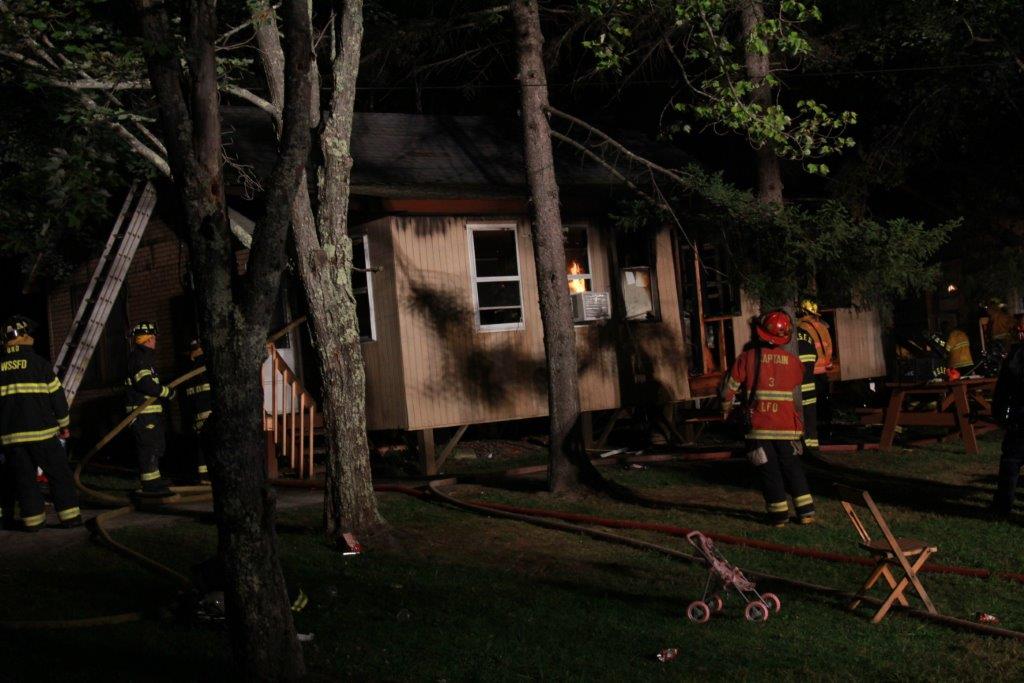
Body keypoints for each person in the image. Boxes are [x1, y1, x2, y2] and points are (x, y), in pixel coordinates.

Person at [722, 310, 815, 527]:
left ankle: (779, 516)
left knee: (768, 469)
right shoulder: (793, 361)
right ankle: (806, 512)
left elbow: (728, 388)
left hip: (759, 426)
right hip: (787, 426)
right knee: (791, 466)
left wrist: (725, 407)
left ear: (760, 334)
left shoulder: (747, 358)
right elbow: (796, 380)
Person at [0, 316, 81, 531]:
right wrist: (64, 425)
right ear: (25, 337)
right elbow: (57, 398)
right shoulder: (40, 365)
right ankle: (70, 517)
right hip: (42, 434)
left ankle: (33, 522)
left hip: (12, 438)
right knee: (59, 474)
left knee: (24, 478)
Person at [125, 321, 175, 495]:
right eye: (153, 338)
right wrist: (167, 392)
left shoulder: (145, 358)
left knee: (155, 446)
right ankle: (150, 485)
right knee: (148, 448)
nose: (155, 341)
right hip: (142, 414)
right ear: (147, 339)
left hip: (149, 414)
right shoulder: (140, 358)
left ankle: (154, 481)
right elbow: (146, 384)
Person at [991, 321, 1024, 516]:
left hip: (1019, 418)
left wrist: (999, 412)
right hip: (1019, 416)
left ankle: (1003, 505)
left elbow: (1003, 388)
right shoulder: (1016, 355)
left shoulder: (1016, 356)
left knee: (1011, 462)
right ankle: (1002, 505)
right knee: (1011, 461)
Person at [796, 299, 834, 452]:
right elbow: (829, 348)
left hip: (809, 373)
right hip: (823, 372)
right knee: (821, 406)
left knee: (808, 408)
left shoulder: (801, 328)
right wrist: (827, 363)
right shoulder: (823, 327)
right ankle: (824, 434)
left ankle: (808, 439)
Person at [183, 339, 212, 483]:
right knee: (210, 443)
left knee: (200, 444)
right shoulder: (207, 364)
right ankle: (210, 474)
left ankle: (203, 476)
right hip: (209, 411)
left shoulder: (188, 367)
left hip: (195, 412)